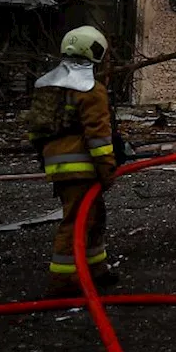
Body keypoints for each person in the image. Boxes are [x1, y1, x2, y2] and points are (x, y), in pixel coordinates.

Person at [27, 26, 120, 297]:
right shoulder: (91, 91)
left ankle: (94, 268)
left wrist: (45, 160)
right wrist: (108, 171)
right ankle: (64, 282)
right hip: (82, 167)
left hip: (58, 164)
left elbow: (36, 131)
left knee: (94, 217)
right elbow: (99, 137)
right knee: (77, 221)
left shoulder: (46, 85)